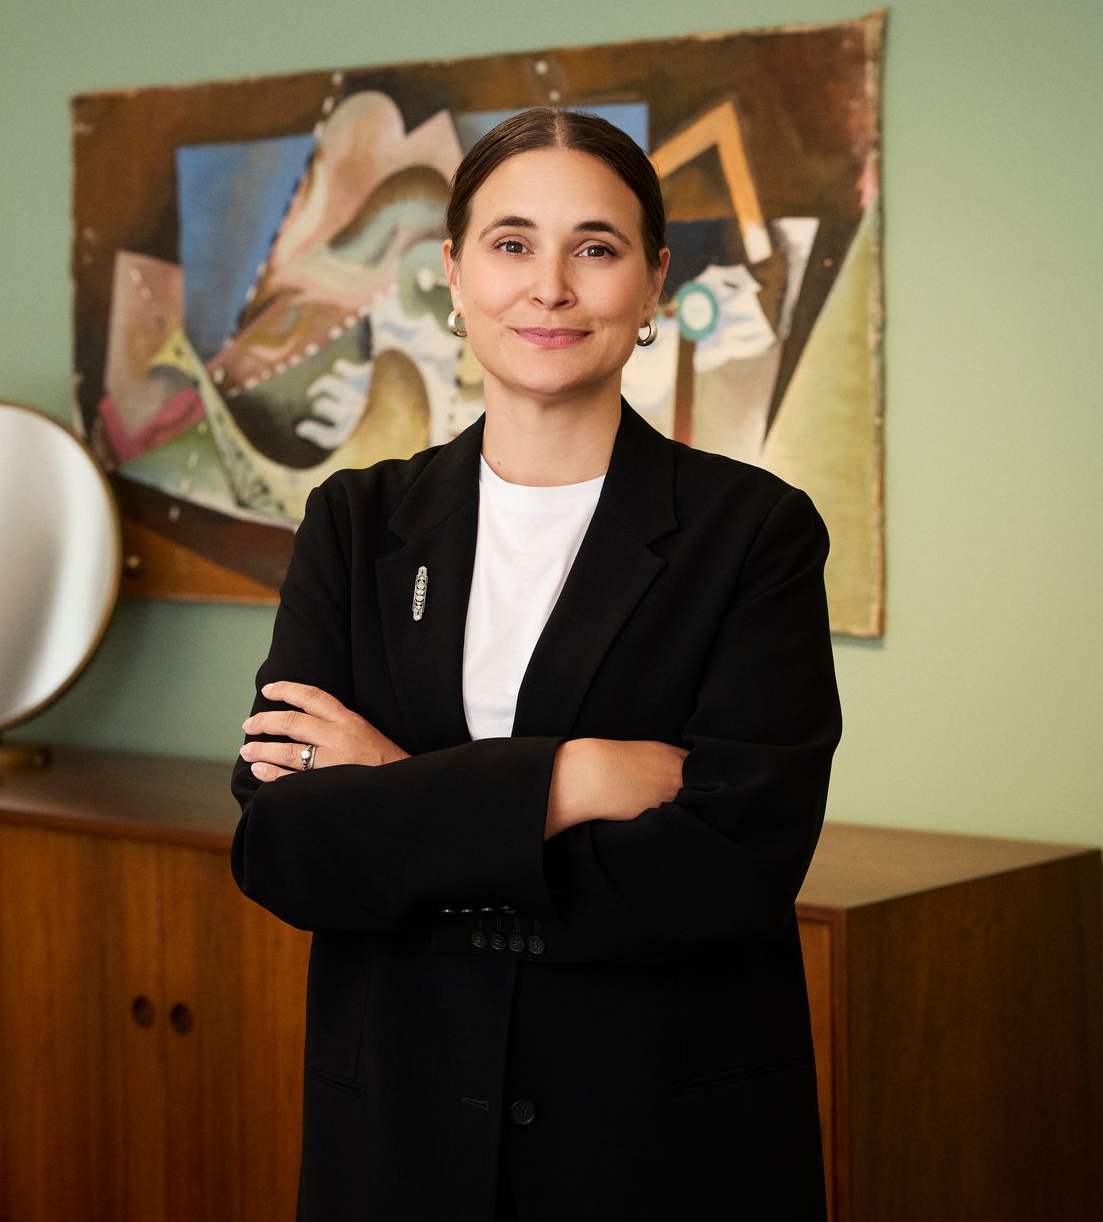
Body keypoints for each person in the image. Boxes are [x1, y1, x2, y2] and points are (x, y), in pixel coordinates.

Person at [231, 106, 840, 1222]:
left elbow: (727, 871)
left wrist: (395, 787)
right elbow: (283, 847)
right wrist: (568, 781)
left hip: (657, 1144)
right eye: (510, 244)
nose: (549, 286)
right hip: (401, 1143)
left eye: (594, 248)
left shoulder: (753, 533)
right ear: (454, 274)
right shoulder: (357, 522)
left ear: (652, 282)